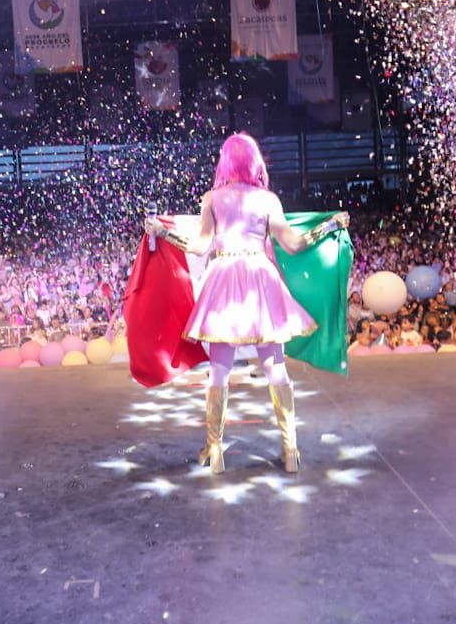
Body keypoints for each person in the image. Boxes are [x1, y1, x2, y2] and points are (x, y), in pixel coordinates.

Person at [145, 133, 348, 474]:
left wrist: (163, 232)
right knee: (275, 367)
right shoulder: (268, 200)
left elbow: (200, 247)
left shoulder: (213, 198)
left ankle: (215, 451)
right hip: (260, 277)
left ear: (224, 162)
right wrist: (328, 226)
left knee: (219, 370)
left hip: (224, 277)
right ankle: (290, 450)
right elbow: (293, 245)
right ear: (256, 162)